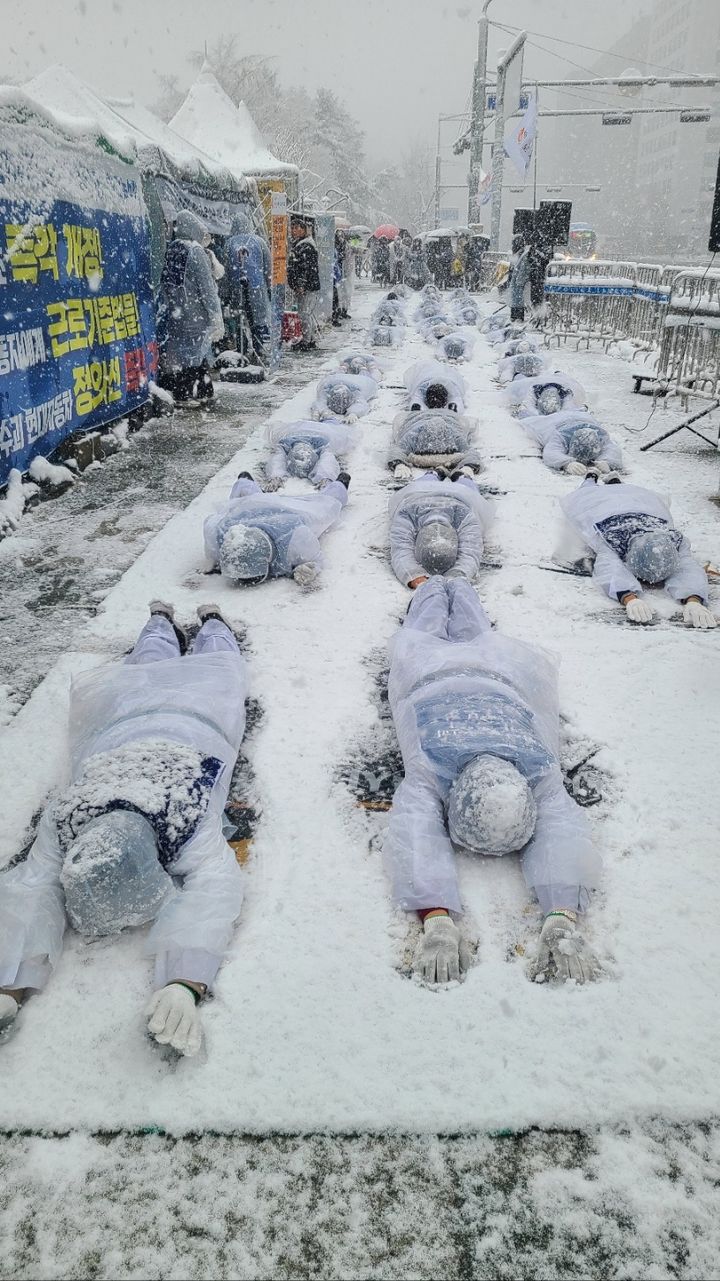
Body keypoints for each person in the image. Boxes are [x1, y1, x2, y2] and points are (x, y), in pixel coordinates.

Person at [0, 602, 248, 1055]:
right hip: (130, 721)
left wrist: (186, 981)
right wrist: (6, 984)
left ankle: (212, 624)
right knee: (152, 660)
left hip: (198, 714)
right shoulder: (68, 819)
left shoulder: (187, 817)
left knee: (217, 668)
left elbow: (217, 888)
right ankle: (166, 621)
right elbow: (36, 887)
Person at [384, 577, 603, 985]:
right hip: (438, 672)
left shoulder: (530, 770)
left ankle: (441, 585)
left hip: (472, 671)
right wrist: (560, 915)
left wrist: (437, 918)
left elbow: (415, 835)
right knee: (437, 628)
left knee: (451, 625)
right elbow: (561, 832)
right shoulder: (530, 769)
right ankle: (446, 584)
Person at [560, 474, 716, 628]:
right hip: (603, 507)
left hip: (640, 502)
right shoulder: (612, 538)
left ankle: (615, 482)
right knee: (588, 493)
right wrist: (628, 597)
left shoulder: (673, 541)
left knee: (628, 492)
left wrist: (694, 600)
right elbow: (608, 567)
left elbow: (687, 567)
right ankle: (591, 480)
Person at [204, 472, 350, 587]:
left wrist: (311, 566)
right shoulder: (224, 537)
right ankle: (244, 481)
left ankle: (340, 484)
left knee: (326, 506)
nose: (245, 584)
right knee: (250, 498)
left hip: (293, 512)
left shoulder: (295, 537)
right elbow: (209, 523)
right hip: (253, 507)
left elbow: (316, 557)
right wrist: (213, 558)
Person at [158, 211, 224, 404]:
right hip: (196, 315)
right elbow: (207, 289)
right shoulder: (195, 251)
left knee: (184, 358)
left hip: (177, 315)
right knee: (193, 359)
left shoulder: (172, 248)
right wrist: (216, 316)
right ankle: (187, 395)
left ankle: (199, 391)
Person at [389, 473, 493, 588]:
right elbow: (401, 550)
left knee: (466, 487)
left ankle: (439, 475)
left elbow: (471, 551)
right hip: (428, 490)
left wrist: (414, 576)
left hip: (451, 492)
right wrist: (457, 576)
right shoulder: (407, 513)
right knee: (463, 486)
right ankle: (457, 477)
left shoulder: (464, 515)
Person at [224, 211, 272, 364]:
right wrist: (267, 283)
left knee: (240, 318)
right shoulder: (259, 241)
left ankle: (242, 349)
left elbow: (225, 269)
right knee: (258, 319)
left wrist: (227, 290)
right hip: (257, 286)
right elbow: (268, 267)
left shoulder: (229, 242)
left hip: (236, 286)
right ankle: (259, 348)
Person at [522, 412, 623, 476]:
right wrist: (567, 463)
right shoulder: (560, 435)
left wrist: (607, 462)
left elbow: (612, 449)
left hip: (581, 416)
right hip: (555, 420)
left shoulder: (600, 436)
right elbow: (550, 452)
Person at [389, 408, 482, 477]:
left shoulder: (454, 434)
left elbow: (470, 452)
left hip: (450, 417)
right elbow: (397, 450)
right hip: (417, 418)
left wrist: (469, 466)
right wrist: (398, 463)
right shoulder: (413, 434)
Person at [264, 420, 354, 488]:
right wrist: (325, 477)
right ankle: (329, 419)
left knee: (328, 420)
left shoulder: (285, 443)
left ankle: (327, 418)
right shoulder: (323, 444)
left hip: (297, 427)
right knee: (331, 422)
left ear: (290, 455)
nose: (302, 452)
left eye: (296, 456)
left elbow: (278, 459)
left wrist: (276, 476)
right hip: (324, 429)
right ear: (314, 455)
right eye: (305, 455)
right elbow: (327, 460)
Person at [288, 219, 321, 352]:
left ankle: (306, 341)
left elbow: (305, 268)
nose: (293, 231)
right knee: (305, 313)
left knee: (304, 314)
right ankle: (310, 338)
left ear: (303, 229)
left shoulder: (306, 246)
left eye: (296, 228)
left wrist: (301, 284)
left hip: (306, 287)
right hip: (305, 285)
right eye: (292, 228)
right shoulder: (300, 244)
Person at [506, 371, 587, 418]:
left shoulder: (565, 392)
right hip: (540, 381)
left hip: (559, 379)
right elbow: (528, 405)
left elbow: (568, 409)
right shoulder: (534, 389)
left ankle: (558, 372)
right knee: (520, 379)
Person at [311, 371, 378, 422]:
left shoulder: (356, 390)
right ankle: (345, 368)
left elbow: (361, 403)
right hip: (339, 376)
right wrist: (322, 411)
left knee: (365, 372)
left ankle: (362, 369)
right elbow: (320, 401)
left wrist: (354, 413)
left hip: (361, 380)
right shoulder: (326, 388)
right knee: (340, 370)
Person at [337, 233, 355, 319]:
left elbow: (350, 257)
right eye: (338, 236)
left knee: (347, 293)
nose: (340, 238)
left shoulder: (348, 246)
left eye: (342, 236)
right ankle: (339, 311)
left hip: (347, 272)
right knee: (339, 293)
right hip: (338, 274)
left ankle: (344, 310)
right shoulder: (336, 246)